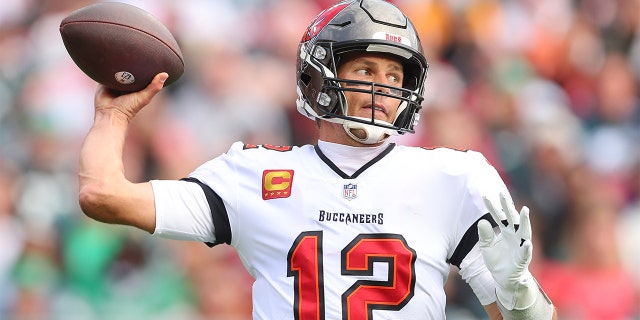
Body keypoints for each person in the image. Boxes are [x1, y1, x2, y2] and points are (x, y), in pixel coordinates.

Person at [77, 0, 557, 319]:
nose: (381, 87)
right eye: (365, 68)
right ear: (319, 78)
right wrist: (114, 115)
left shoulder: (454, 177)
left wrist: (517, 290)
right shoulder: (254, 175)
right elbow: (105, 196)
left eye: (394, 75)